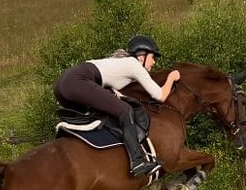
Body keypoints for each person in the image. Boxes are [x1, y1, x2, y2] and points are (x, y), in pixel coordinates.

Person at [54, 35, 181, 177]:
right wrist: (171, 78)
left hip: (63, 85)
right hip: (77, 81)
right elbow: (160, 96)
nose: (154, 62)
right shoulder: (133, 64)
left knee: (105, 115)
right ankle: (138, 161)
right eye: (153, 57)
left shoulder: (121, 64)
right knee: (124, 110)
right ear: (141, 56)